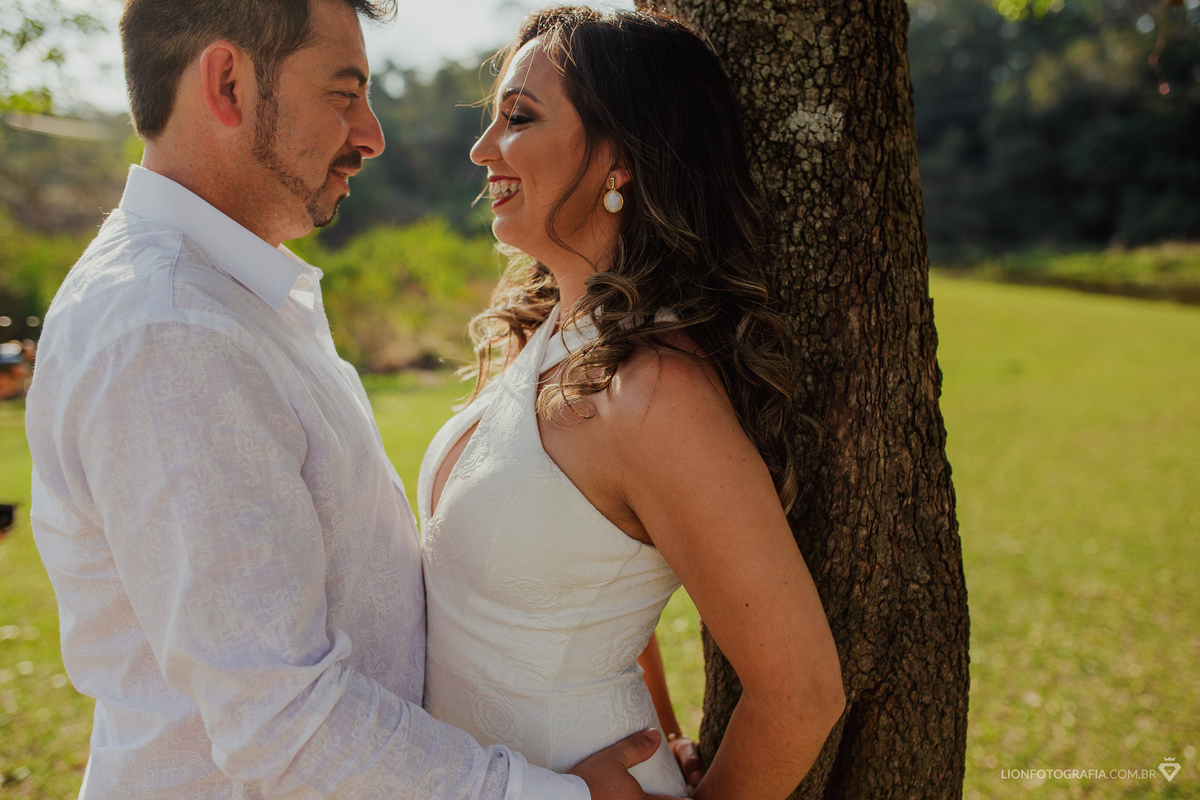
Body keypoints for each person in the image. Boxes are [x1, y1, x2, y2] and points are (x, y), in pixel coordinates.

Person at [25, 1, 680, 798]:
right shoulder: (174, 331)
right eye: (344, 93)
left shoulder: (229, 298)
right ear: (227, 82)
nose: (371, 133)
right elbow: (284, 724)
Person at [418, 7, 846, 800]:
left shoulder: (655, 394)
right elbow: (589, 567)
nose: (483, 150)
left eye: (518, 118)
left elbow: (805, 692)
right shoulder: (543, 335)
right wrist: (666, 724)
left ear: (619, 157)